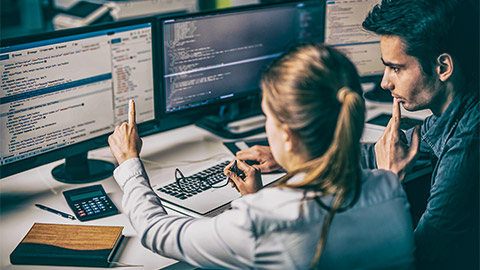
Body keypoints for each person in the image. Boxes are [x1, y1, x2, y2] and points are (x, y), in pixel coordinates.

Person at [108, 44, 415, 269]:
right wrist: (251, 199)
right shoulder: (389, 186)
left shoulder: (263, 219)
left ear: (286, 135)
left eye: (268, 116)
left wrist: (129, 162)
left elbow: (154, 232)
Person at [238, 0, 479, 268]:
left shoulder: (467, 145)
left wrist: (390, 181)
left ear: (443, 67)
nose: (385, 82)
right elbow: (384, 151)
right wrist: (293, 154)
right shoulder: (457, 110)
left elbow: (418, 260)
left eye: (396, 68)